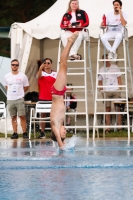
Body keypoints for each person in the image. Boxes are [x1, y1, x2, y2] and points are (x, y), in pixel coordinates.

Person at [50, 31, 79, 148]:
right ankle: (70, 44)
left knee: (63, 64)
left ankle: (69, 43)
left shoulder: (54, 125)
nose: (65, 131)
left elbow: (57, 137)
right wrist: (65, 142)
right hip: (60, 93)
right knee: (64, 66)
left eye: (63, 133)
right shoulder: (60, 123)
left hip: (57, 92)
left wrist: (61, 144)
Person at [4, 59, 29, 139]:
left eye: (16, 65)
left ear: (18, 66)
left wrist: (20, 92)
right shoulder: (7, 76)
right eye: (13, 64)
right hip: (10, 99)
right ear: (11, 65)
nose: (14, 66)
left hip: (19, 99)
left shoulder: (23, 76)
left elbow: (26, 86)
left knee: (22, 116)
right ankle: (15, 132)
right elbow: (6, 86)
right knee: (13, 116)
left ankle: (24, 132)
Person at [98, 54, 122, 133]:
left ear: (109, 59)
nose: (105, 60)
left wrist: (119, 88)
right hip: (106, 91)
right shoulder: (101, 69)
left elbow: (119, 78)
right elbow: (100, 81)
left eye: (107, 59)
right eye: (103, 59)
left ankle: (119, 127)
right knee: (107, 109)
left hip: (115, 90)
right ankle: (108, 128)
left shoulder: (115, 67)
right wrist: (101, 91)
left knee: (118, 108)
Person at [37, 58, 57, 138]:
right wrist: (40, 68)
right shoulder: (40, 73)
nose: (47, 65)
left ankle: (54, 131)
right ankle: (42, 132)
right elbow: (38, 77)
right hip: (43, 97)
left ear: (51, 64)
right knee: (43, 115)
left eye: (48, 63)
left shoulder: (55, 73)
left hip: (53, 97)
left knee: (53, 115)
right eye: (45, 63)